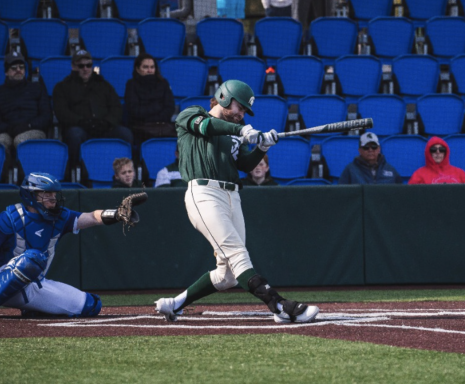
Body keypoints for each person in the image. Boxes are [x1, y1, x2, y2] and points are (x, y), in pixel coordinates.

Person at [154, 79, 319, 324]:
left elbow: (244, 165)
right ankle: (279, 305)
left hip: (232, 195)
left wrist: (262, 148)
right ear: (222, 97)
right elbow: (208, 126)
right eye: (239, 107)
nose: (241, 114)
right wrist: (241, 131)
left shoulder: (235, 130)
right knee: (238, 253)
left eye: (244, 111)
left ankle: (175, 305)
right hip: (203, 193)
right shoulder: (192, 114)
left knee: (228, 275)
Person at [0, 172, 142, 318]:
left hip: (30, 286)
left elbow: (91, 217)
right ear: (31, 195)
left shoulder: (60, 216)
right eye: (46, 193)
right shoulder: (11, 217)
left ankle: (34, 309)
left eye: (54, 194)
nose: (53, 198)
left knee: (90, 305)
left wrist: (116, 214)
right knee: (32, 258)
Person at [53, 50, 133, 168]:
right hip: (80, 128)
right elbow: (62, 112)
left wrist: (106, 122)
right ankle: (75, 171)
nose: (85, 69)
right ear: (73, 66)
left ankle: (126, 172)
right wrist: (82, 122)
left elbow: (116, 107)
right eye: (81, 66)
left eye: (89, 65)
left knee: (125, 134)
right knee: (75, 135)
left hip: (104, 127)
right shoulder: (62, 87)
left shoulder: (104, 85)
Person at [0, 51, 51, 153]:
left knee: (21, 140)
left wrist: (29, 125)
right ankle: (5, 168)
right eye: (14, 68)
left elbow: (46, 116)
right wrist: (11, 128)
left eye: (21, 67)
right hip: (8, 131)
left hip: (34, 129)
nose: (18, 70)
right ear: (6, 72)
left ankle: (23, 168)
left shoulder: (37, 88)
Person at [124, 53, 176, 145]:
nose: (149, 70)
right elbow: (134, 110)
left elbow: (169, 108)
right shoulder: (131, 84)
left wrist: (154, 117)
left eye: (152, 67)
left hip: (162, 125)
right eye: (145, 67)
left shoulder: (163, 83)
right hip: (140, 127)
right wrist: (157, 107)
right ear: (137, 69)